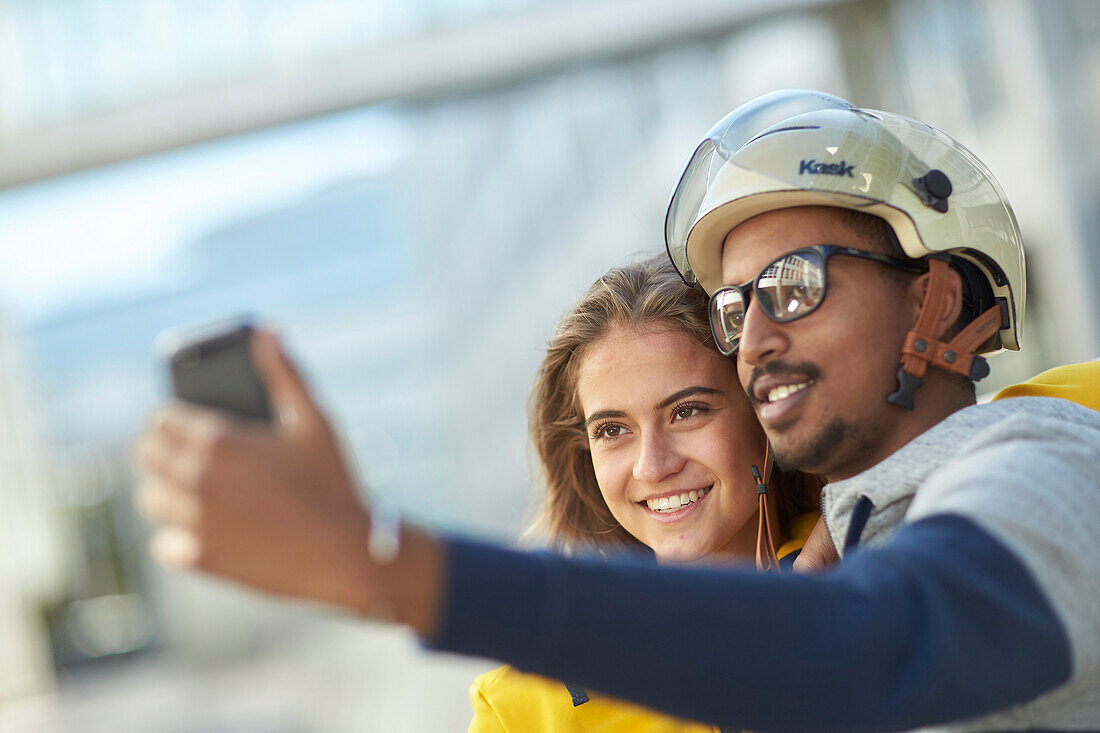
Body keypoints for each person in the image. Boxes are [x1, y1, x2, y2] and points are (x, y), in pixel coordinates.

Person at [135, 90, 1100, 732]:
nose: (757, 337)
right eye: (735, 308)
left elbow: (870, 640)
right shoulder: (859, 540)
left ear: (934, 302)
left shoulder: (1038, 459)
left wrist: (382, 563)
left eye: (798, 284)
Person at [468, 255, 820, 732]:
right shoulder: (524, 701)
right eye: (613, 430)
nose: (652, 467)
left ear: (765, 410)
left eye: (688, 411)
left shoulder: (888, 572)